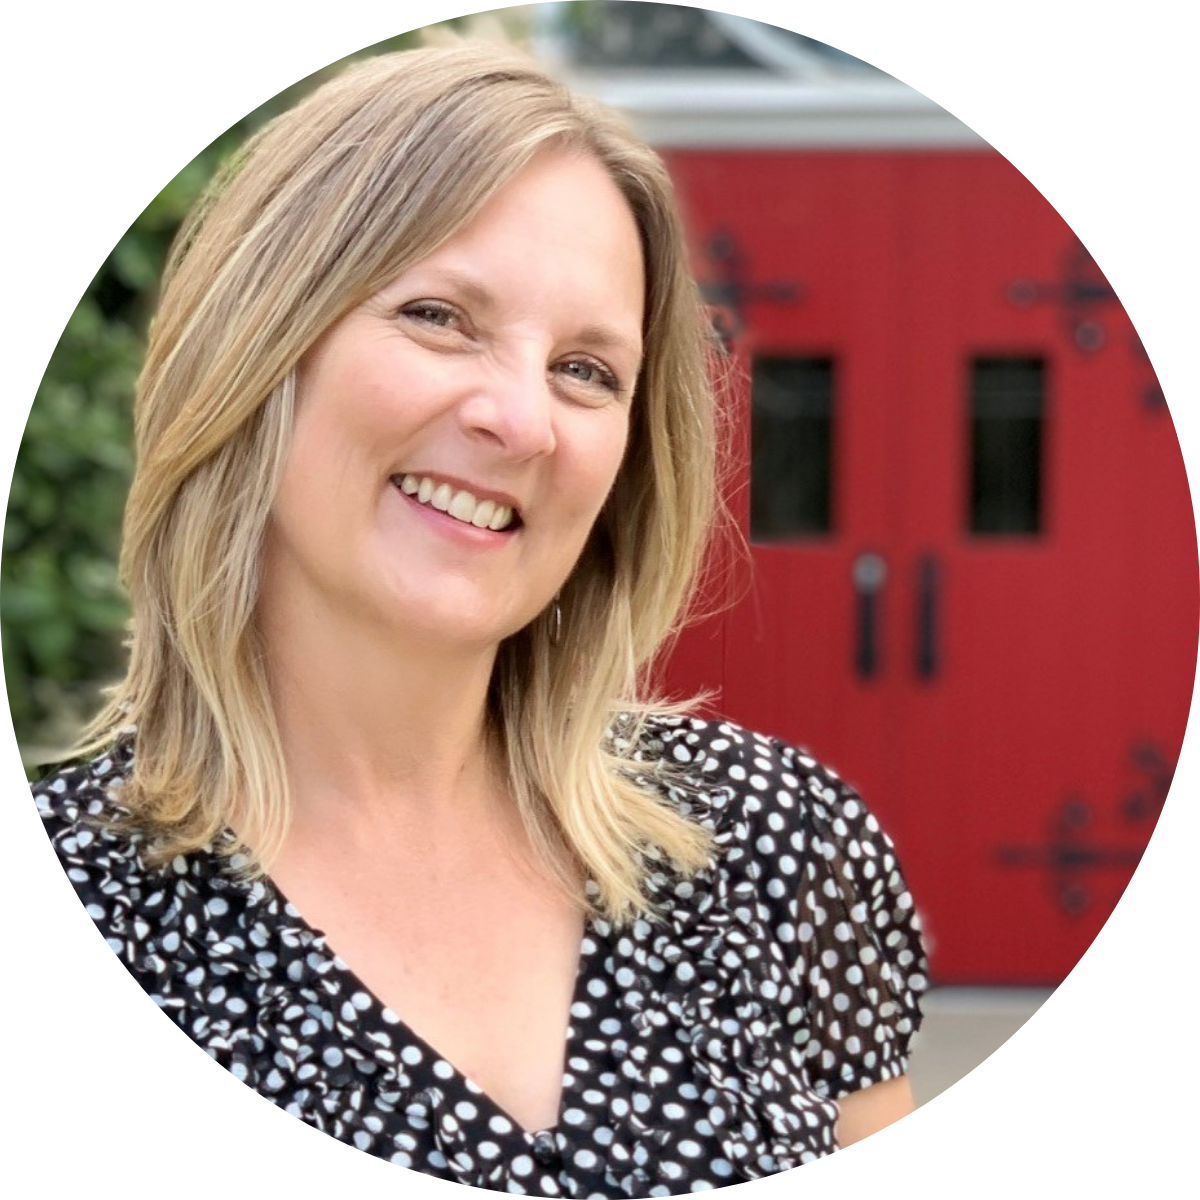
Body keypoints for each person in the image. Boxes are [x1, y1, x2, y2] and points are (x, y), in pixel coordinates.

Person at [30, 38, 928, 1197]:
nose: (523, 420)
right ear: (257, 345)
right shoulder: (59, 928)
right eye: (441, 315)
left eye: (587, 371)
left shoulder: (780, 845)